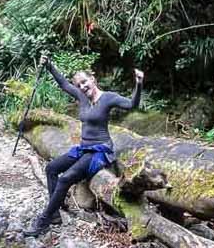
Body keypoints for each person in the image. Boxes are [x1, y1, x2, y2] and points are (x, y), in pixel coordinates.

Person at [25, 55, 144, 235]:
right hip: (83, 148)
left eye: (84, 82)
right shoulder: (82, 97)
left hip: (100, 151)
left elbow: (131, 104)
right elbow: (64, 85)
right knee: (51, 169)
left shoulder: (108, 98)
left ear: (93, 79)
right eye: (79, 84)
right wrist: (49, 65)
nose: (81, 86)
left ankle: (44, 220)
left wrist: (139, 83)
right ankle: (55, 213)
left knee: (65, 179)